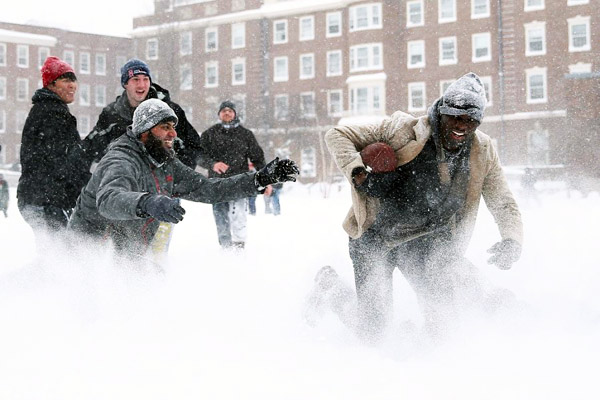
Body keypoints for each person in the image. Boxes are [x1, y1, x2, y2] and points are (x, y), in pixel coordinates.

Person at [325, 72, 523, 340]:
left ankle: (428, 363)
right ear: (441, 113)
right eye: (455, 117)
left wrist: (511, 239)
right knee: (373, 332)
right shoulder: (404, 130)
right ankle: (330, 289)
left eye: (470, 120)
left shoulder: (483, 150)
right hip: (375, 238)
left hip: (425, 243)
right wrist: (358, 172)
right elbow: (337, 134)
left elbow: (503, 200)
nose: (461, 126)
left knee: (443, 325)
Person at [68, 99, 298, 257]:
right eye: (165, 127)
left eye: (173, 127)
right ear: (145, 131)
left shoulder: (164, 163)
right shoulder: (121, 160)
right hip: (89, 252)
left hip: (127, 251)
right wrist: (147, 202)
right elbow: (109, 200)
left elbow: (210, 190)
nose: (173, 134)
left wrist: (258, 179)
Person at [17, 56, 91, 239]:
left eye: (74, 80)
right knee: (60, 258)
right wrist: (88, 187)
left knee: (54, 256)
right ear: (51, 84)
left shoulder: (47, 110)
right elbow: (63, 162)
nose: (73, 85)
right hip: (46, 200)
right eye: (66, 80)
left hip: (38, 198)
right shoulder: (53, 113)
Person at [84, 58, 202, 169]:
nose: (141, 85)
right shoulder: (111, 114)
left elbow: (194, 145)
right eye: (135, 79)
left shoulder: (170, 111)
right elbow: (89, 149)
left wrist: (174, 177)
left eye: (145, 79)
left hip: (163, 186)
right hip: (127, 183)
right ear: (125, 84)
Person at [197, 100, 270, 250]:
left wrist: (267, 180)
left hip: (240, 182)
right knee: (220, 217)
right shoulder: (209, 134)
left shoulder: (245, 134)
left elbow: (258, 158)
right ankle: (226, 249)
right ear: (219, 114)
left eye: (230, 110)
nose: (227, 112)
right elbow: (199, 155)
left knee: (239, 216)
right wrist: (213, 164)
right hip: (217, 183)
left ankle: (239, 248)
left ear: (235, 114)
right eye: (224, 110)